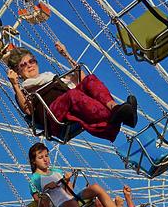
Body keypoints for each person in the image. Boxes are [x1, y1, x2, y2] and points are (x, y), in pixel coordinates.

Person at [7, 41, 137, 142]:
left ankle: (115, 109)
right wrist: (15, 84)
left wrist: (66, 55)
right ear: (17, 72)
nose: (29, 65)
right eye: (23, 65)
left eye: (31, 61)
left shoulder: (51, 77)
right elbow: (27, 110)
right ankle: (120, 116)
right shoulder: (24, 90)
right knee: (71, 95)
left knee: (89, 80)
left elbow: (82, 78)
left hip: (69, 103)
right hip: (52, 116)